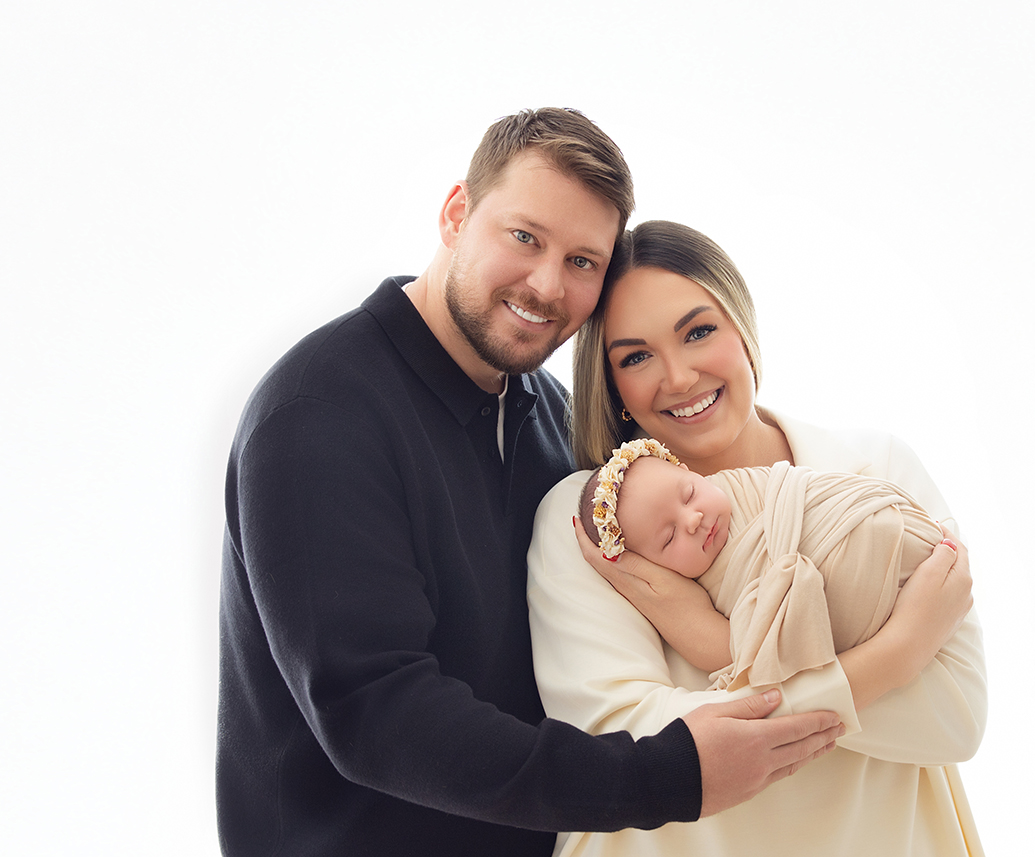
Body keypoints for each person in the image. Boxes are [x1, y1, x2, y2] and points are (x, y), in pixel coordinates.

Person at [217, 110, 845, 857]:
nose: (547, 284)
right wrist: (668, 774)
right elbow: (375, 714)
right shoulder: (318, 414)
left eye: (583, 261)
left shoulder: (552, 417)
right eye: (524, 237)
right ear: (457, 214)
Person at [527, 220, 986, 855]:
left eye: (698, 332)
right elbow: (626, 745)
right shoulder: (593, 519)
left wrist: (716, 644)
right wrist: (898, 654)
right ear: (613, 387)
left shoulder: (874, 469)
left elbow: (955, 720)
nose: (679, 377)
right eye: (635, 356)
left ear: (742, 327)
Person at [578, 437, 952, 692]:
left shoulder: (745, 485)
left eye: (689, 493)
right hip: (872, 586)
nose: (693, 520)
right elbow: (748, 650)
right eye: (669, 537)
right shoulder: (695, 593)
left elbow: (801, 488)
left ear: (692, 473)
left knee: (880, 531)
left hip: (871, 515)